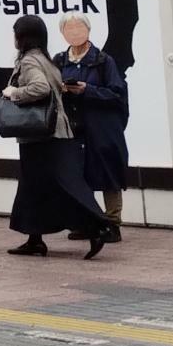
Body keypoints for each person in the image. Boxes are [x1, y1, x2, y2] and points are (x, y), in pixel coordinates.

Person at [3, 15, 114, 259]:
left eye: (15, 33)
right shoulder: (45, 59)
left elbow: (40, 88)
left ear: (23, 36)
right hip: (53, 133)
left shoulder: (30, 61)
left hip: (41, 136)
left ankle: (99, 227)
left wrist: (14, 93)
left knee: (60, 186)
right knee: (34, 189)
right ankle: (35, 239)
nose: (13, 38)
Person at [58, 15, 128, 242]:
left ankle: (112, 224)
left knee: (109, 172)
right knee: (78, 174)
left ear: (88, 30)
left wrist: (87, 90)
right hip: (75, 127)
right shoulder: (59, 60)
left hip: (103, 127)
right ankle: (87, 221)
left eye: (79, 28)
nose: (75, 33)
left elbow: (117, 94)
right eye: (69, 29)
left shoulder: (103, 61)